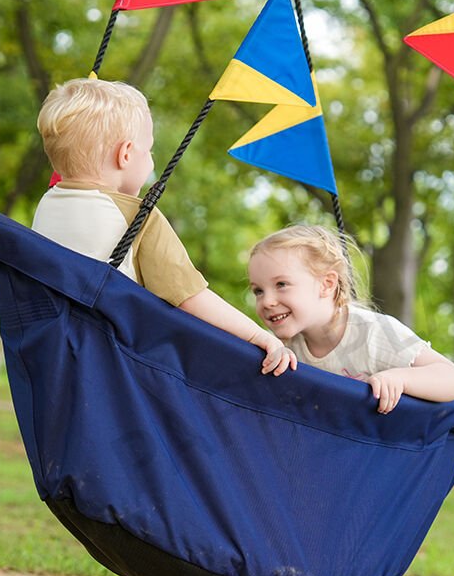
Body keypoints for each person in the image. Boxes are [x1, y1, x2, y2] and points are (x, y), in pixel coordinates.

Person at [32, 77, 296, 376]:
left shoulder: (47, 206)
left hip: (51, 357)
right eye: (149, 150)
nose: (151, 160)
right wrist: (259, 336)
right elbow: (190, 298)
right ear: (126, 154)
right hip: (113, 366)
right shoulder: (136, 216)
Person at [247, 225, 454, 412]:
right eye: (258, 291)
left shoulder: (375, 332)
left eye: (281, 284)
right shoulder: (283, 346)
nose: (267, 301)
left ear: (327, 284)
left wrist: (400, 379)